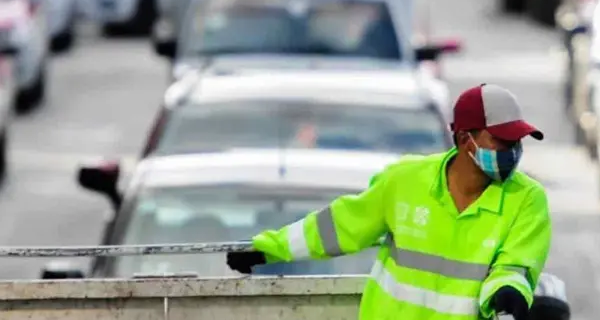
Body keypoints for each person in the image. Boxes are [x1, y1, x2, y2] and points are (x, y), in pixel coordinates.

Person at [227, 84, 552, 320]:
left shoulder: (526, 200)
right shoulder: (404, 181)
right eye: (501, 140)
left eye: (516, 141)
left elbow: (514, 268)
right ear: (465, 137)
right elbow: (341, 225)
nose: (512, 150)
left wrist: (508, 293)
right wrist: (267, 248)